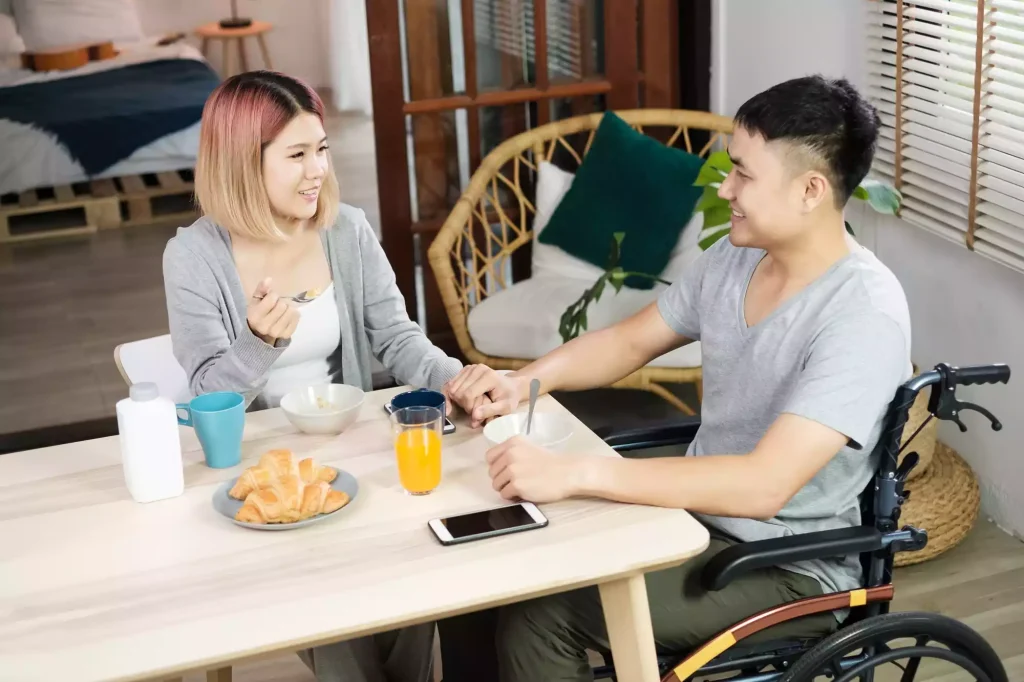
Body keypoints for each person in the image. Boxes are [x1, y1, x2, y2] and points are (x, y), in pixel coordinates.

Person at [443, 75, 913, 682]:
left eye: (743, 173)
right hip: (699, 514)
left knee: (545, 614)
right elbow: (630, 339)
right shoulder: (737, 258)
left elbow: (763, 486)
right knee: (484, 566)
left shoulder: (862, 315)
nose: (725, 187)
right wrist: (523, 383)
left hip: (783, 563)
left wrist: (578, 472)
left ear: (810, 190)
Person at [162, 70, 473, 682]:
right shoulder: (193, 257)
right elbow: (206, 397)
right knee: (333, 596)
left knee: (418, 559)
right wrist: (257, 344)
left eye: (322, 150)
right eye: (297, 154)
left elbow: (396, 336)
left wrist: (458, 379)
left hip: (352, 455)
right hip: (258, 478)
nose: (318, 171)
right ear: (241, 163)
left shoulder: (346, 229)